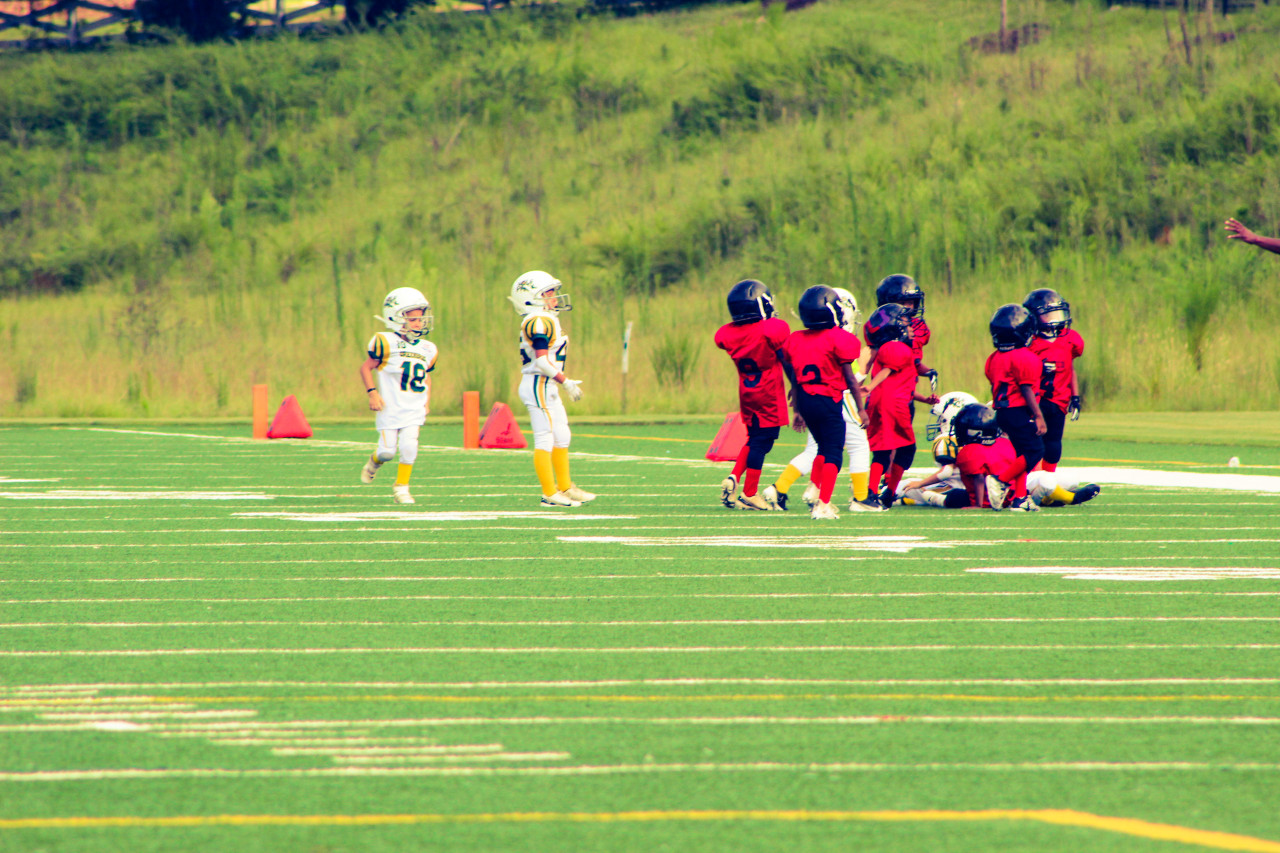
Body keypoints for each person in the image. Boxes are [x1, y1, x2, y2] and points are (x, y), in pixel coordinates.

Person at [762, 288, 876, 512]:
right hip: (827, 400)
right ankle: (825, 503)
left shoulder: (795, 339)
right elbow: (851, 380)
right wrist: (862, 410)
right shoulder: (841, 339)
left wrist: (796, 410)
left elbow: (794, 375)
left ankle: (812, 490)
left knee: (821, 449)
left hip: (805, 399)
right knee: (834, 452)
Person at [509, 270, 595, 508]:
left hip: (547, 385)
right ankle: (549, 492)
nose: (554, 298)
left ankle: (565, 487)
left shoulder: (547, 319)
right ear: (530, 298)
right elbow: (541, 361)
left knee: (562, 434)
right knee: (544, 438)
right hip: (538, 383)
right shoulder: (538, 320)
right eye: (548, 294)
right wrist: (565, 381)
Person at [714, 279, 792, 510]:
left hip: (747, 391)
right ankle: (750, 492)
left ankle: (734, 477)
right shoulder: (770, 329)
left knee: (755, 439)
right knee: (762, 442)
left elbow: (724, 337)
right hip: (768, 391)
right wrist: (796, 388)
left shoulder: (728, 334)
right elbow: (784, 358)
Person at [359, 287, 439, 505]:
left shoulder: (428, 348)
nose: (418, 323)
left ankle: (401, 487)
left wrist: (427, 403)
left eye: (420, 318)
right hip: (391, 408)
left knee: (409, 447)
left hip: (414, 407)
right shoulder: (384, 341)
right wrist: (372, 393)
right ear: (395, 318)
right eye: (412, 319)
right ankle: (374, 463)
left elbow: (427, 377)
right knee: (386, 452)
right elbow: (366, 368)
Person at [862, 304, 939, 509]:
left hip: (887, 402)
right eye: (906, 322)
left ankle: (879, 493)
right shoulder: (897, 347)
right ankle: (881, 493)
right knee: (904, 450)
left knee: (883, 450)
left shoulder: (890, 348)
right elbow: (887, 372)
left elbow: (901, 385)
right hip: (892, 406)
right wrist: (870, 386)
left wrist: (925, 399)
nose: (911, 326)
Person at [896, 432, 1100, 508]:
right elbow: (945, 476)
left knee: (1068, 480)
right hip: (1002, 489)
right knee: (1047, 482)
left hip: (1005, 485)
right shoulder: (963, 459)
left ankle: (1047, 499)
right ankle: (1068, 499)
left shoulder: (975, 450)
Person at [982, 304, 1047, 512]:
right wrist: (1038, 415)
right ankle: (1001, 480)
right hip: (1017, 410)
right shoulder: (1024, 356)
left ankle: (1020, 498)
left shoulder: (993, 358)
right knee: (1035, 449)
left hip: (1001, 411)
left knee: (1021, 455)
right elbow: (1026, 388)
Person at [1023, 289, 1084, 475]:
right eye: (1049, 314)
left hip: (1059, 400)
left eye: (1058, 313)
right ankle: (1030, 480)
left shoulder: (1070, 338)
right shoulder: (1030, 341)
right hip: (1035, 401)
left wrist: (1075, 397)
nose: (1056, 319)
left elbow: (1070, 368)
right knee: (1033, 442)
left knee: (1053, 444)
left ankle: (1047, 479)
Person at [874, 274, 938, 395]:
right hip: (886, 391)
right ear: (888, 304)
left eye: (910, 302)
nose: (908, 308)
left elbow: (912, 362)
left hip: (906, 391)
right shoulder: (881, 326)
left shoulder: (917, 327)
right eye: (903, 303)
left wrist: (928, 371)